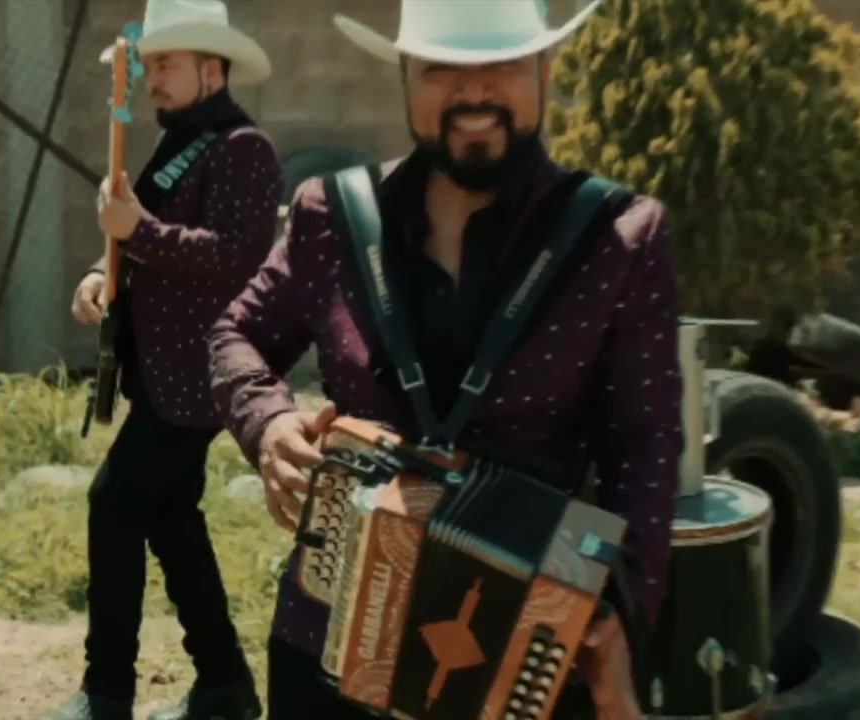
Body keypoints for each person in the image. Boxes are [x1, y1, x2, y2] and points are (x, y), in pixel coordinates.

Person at [207, 1, 682, 718]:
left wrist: (622, 619)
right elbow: (235, 334)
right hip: (330, 639)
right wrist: (268, 423)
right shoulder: (330, 215)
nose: (474, 91)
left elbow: (644, 446)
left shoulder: (619, 239)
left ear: (545, 69)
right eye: (442, 68)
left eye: (503, 64)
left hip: (525, 659)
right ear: (405, 75)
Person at [45, 1, 282, 719]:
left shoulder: (243, 147)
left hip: (202, 374)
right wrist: (100, 272)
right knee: (172, 518)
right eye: (148, 66)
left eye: (167, 64)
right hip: (162, 375)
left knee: (113, 502)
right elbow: (134, 237)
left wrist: (137, 231)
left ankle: (107, 692)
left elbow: (235, 255)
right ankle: (225, 686)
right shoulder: (181, 143)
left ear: (213, 68)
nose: (153, 79)